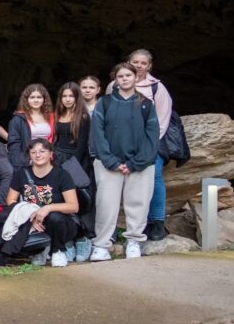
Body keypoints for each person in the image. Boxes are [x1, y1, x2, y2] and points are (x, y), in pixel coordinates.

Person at [90, 62, 159, 261]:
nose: (125, 79)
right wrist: (110, 160)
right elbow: (97, 134)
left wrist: (136, 163)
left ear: (136, 77)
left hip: (139, 164)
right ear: (115, 80)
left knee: (138, 203)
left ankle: (134, 242)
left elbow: (152, 136)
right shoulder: (105, 103)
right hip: (108, 164)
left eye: (128, 75)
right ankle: (102, 245)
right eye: (120, 76)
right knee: (106, 204)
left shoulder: (146, 104)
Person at [112, 49, 173, 241]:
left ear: (149, 66)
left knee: (153, 178)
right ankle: (137, 223)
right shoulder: (114, 85)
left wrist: (148, 145)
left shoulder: (157, 88)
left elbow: (162, 120)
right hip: (121, 144)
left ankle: (156, 222)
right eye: (135, 62)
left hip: (150, 143)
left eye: (143, 63)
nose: (139, 66)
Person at [0, 139, 80, 267]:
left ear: (50, 154)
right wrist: (28, 215)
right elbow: (11, 200)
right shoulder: (22, 174)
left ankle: (57, 250)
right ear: (29, 155)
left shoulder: (62, 175)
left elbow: (74, 206)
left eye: (42, 151)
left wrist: (48, 208)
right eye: (33, 152)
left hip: (60, 222)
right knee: (3, 216)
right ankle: (40, 250)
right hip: (31, 219)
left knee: (54, 217)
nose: (38, 155)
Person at [7, 84, 55, 170]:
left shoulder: (52, 117)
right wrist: (21, 163)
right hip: (27, 161)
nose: (36, 100)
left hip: (48, 160)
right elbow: (14, 145)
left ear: (44, 99)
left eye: (39, 97)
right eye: (32, 97)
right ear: (26, 100)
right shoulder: (18, 119)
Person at [54, 82, 91, 171]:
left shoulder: (83, 116)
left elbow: (82, 145)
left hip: (75, 158)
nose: (67, 99)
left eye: (71, 96)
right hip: (58, 157)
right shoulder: (59, 114)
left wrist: (72, 165)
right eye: (64, 96)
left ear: (77, 97)